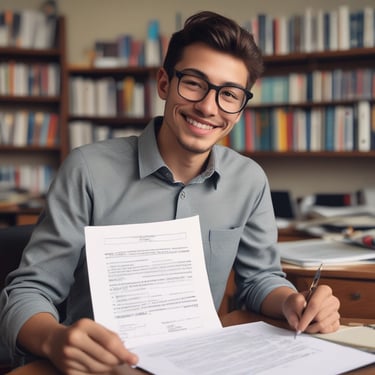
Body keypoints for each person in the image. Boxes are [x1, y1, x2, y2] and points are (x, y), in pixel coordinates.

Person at [0, 10, 340, 375]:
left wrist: (293, 301)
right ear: (164, 82)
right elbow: (28, 291)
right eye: (194, 83)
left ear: (240, 109)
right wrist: (54, 339)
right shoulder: (87, 170)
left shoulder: (249, 180)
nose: (208, 107)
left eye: (229, 94)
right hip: (101, 367)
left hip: (201, 364)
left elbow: (259, 280)